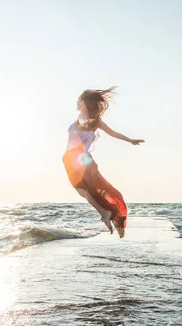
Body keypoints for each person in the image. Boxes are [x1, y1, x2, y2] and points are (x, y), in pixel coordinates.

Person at [62, 87, 144, 238]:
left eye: (79, 100)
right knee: (91, 190)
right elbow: (114, 133)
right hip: (85, 160)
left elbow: (84, 121)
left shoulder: (82, 118)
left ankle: (105, 213)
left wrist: (130, 140)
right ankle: (109, 214)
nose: (77, 102)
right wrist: (130, 140)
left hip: (73, 159)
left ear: (85, 103)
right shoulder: (96, 121)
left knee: (83, 191)